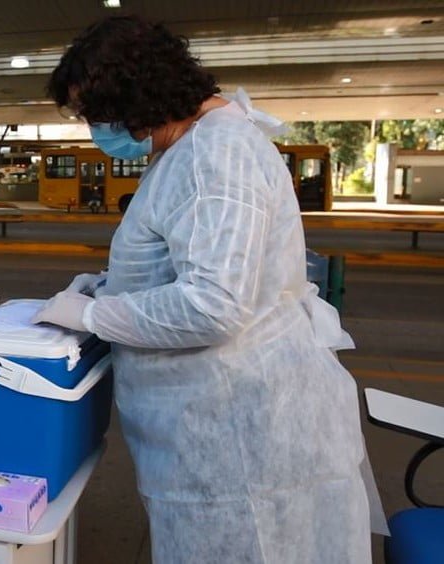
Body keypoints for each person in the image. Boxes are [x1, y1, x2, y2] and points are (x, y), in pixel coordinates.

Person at [34, 16, 380, 564]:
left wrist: (95, 316)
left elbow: (212, 304)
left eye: (92, 111)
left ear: (137, 96)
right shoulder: (190, 148)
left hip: (242, 438)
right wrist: (107, 289)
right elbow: (186, 260)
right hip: (214, 427)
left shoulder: (215, 154)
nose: (90, 126)